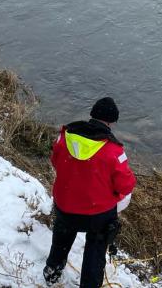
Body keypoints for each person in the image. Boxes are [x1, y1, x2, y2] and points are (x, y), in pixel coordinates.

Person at [43, 97, 136, 287]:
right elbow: (125, 186)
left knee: (61, 238)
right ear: (111, 122)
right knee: (96, 248)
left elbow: (55, 161)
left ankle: (52, 272)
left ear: (92, 114)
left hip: (65, 205)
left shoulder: (65, 137)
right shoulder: (114, 150)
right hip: (97, 214)